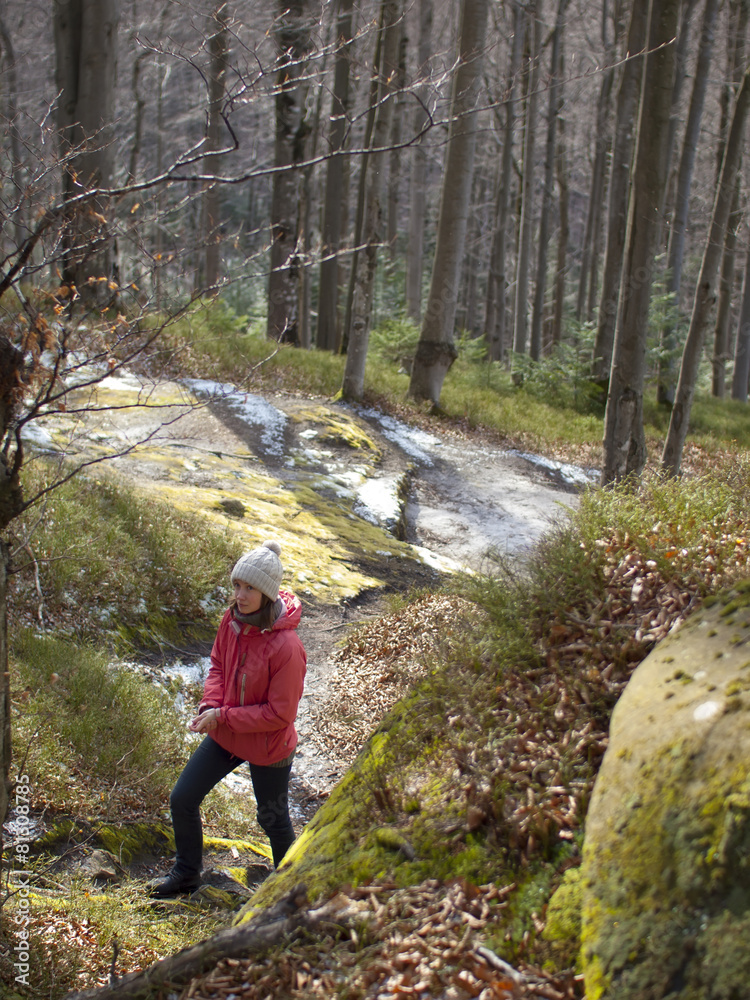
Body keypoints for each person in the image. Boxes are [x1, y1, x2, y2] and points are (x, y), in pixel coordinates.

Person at [147, 539, 307, 897]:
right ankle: (187, 873)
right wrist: (210, 707)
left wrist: (224, 715)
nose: (240, 594)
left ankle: (290, 894)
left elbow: (280, 714)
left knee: (272, 820)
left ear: (267, 593)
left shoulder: (288, 647)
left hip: (269, 745)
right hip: (227, 730)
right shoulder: (231, 620)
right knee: (182, 798)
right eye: (237, 585)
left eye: (249, 587)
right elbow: (218, 665)